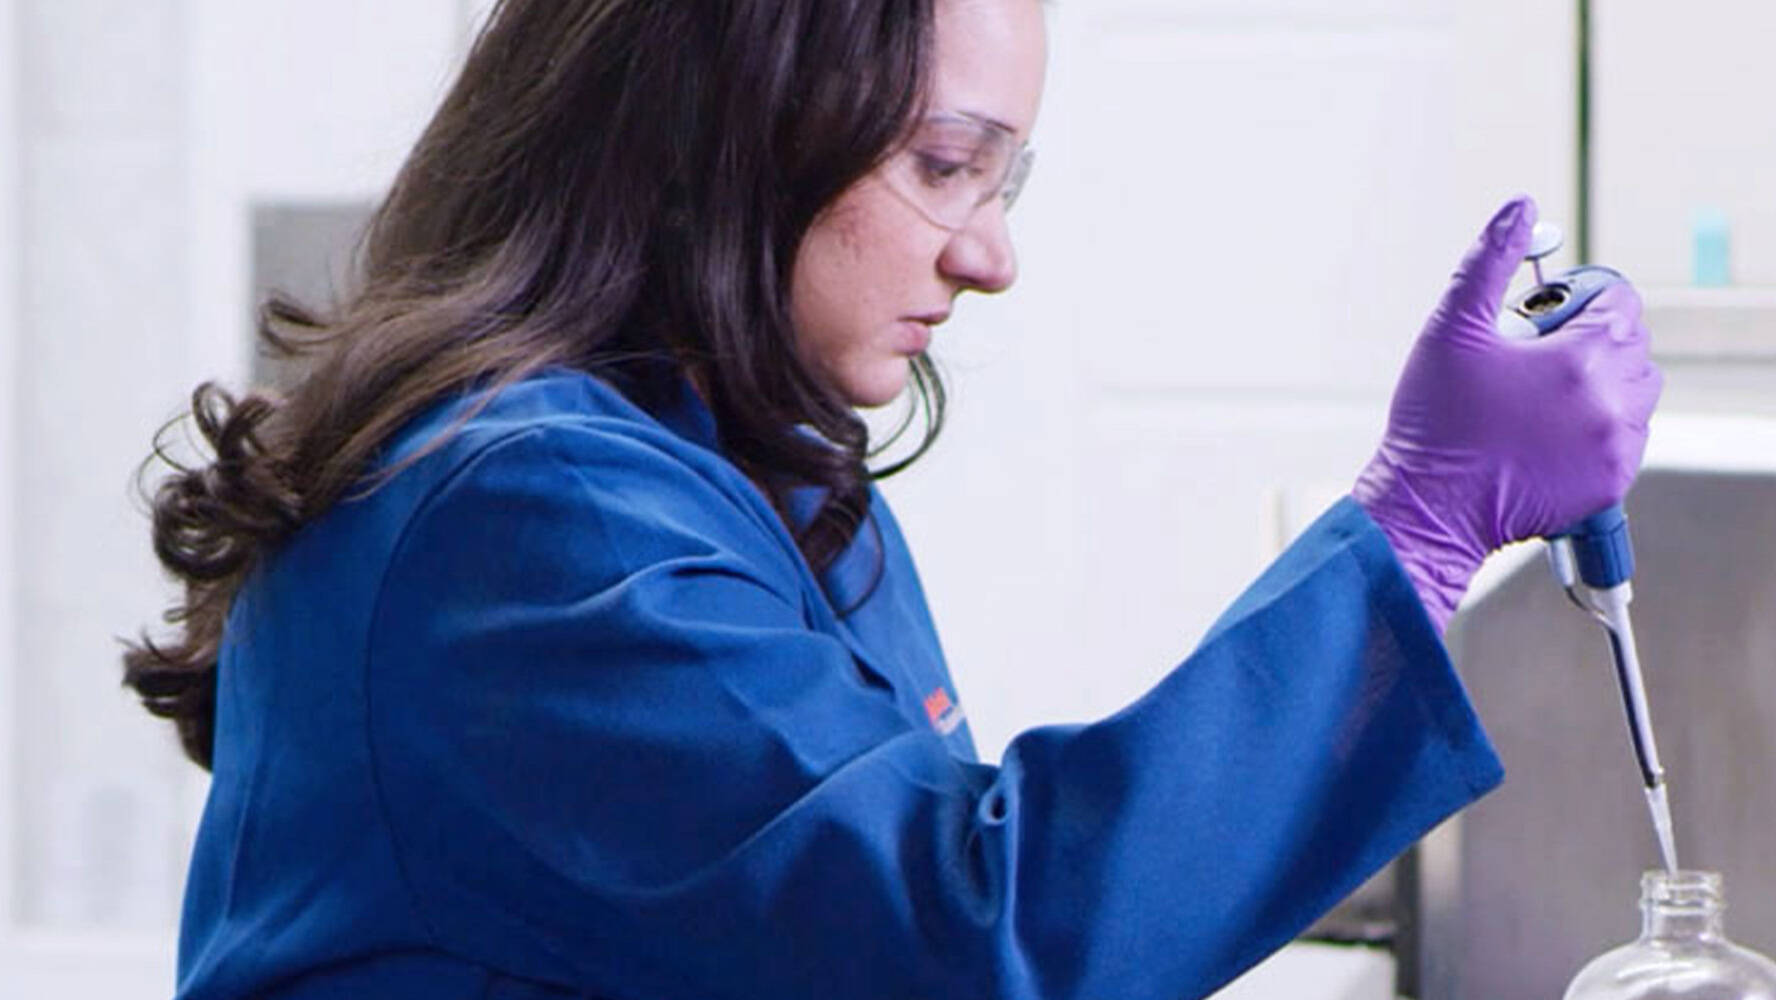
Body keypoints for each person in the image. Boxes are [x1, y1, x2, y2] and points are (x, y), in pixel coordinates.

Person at [125, 0, 1661, 997]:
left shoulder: (752, 476)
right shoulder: (525, 518)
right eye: (943, 164)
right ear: (722, 134)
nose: (989, 253)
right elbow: (963, 941)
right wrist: (1423, 519)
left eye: (1007, 181)